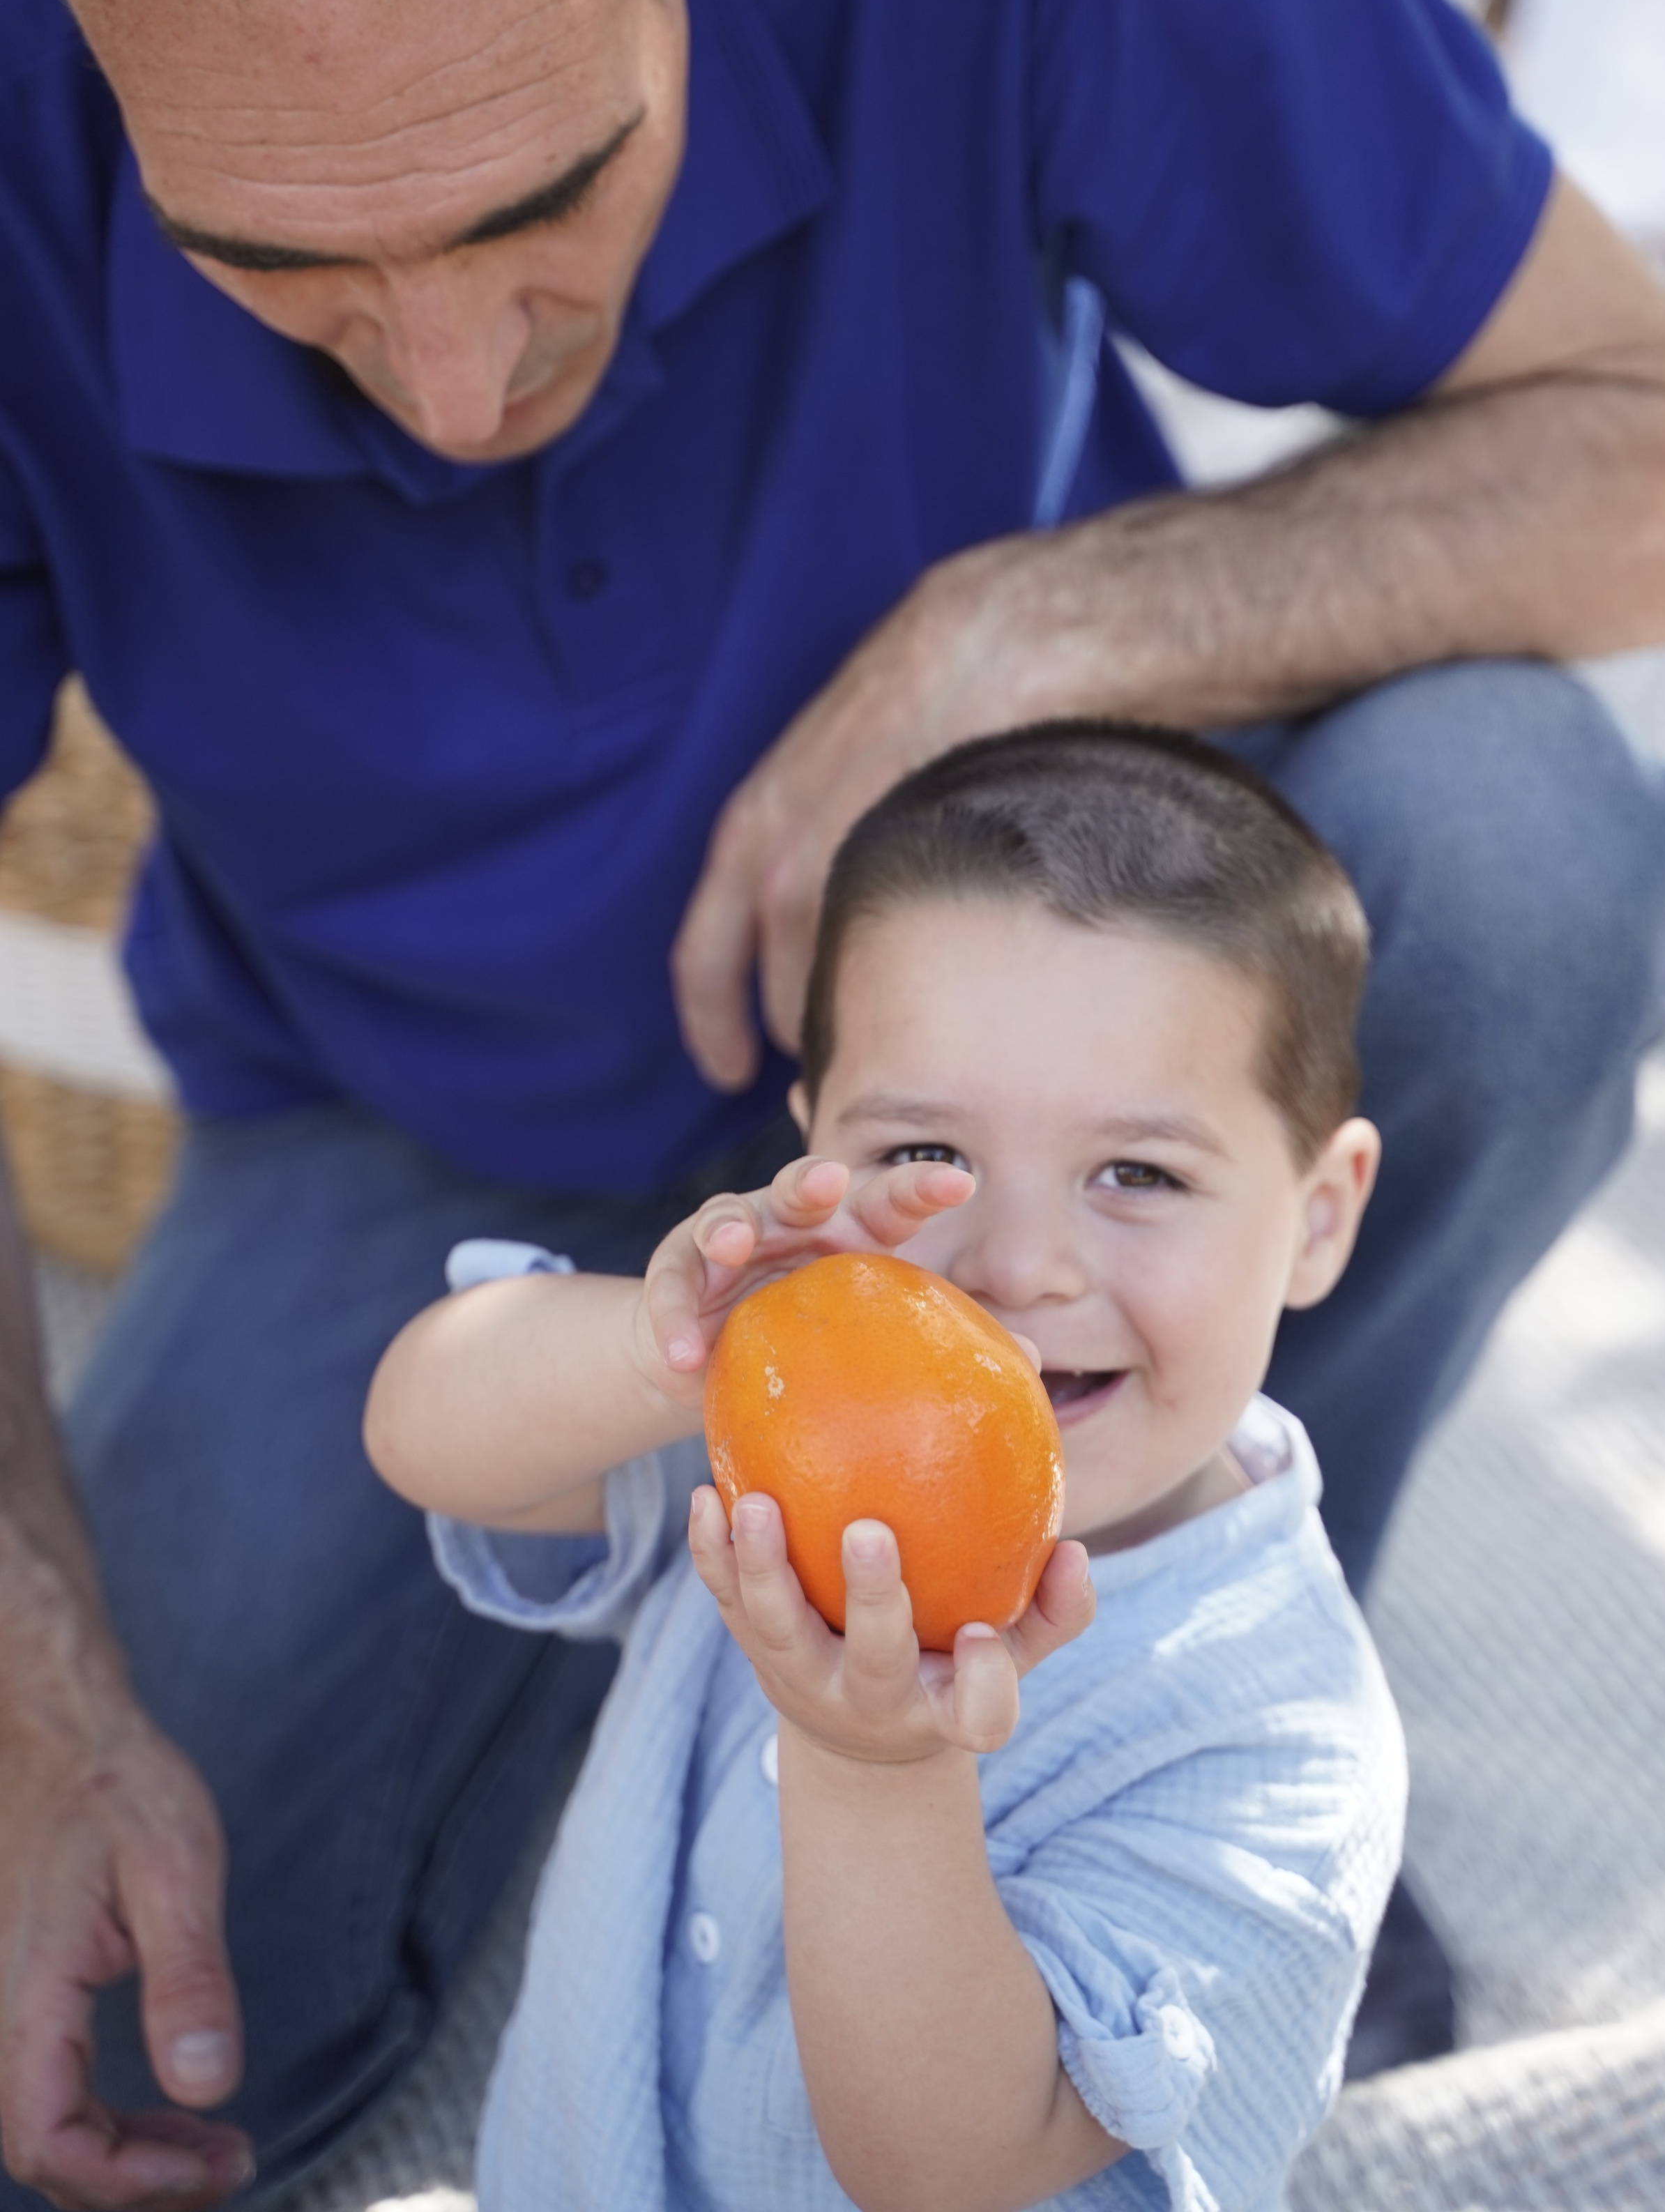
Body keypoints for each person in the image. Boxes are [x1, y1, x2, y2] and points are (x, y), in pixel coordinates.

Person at [0, 0, 1665, 2203]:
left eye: (536, 201)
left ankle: (1196, 1660)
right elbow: (439, 1406)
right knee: (109, 2063)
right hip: (399, 1121)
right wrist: (37, 1682)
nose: (462, 386)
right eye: (288, 265)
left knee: (1518, 846)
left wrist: (1021, 632)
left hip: (1033, 1036)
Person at [363, 722, 1407, 2212]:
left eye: (1138, 1174)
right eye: (927, 1149)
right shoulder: (784, 1431)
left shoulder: (1275, 1742)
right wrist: (677, 1348)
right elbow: (428, 1436)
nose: (1017, 1266)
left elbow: (960, 2165)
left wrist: (877, 1768)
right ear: (813, 1147)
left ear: (1314, 1216)